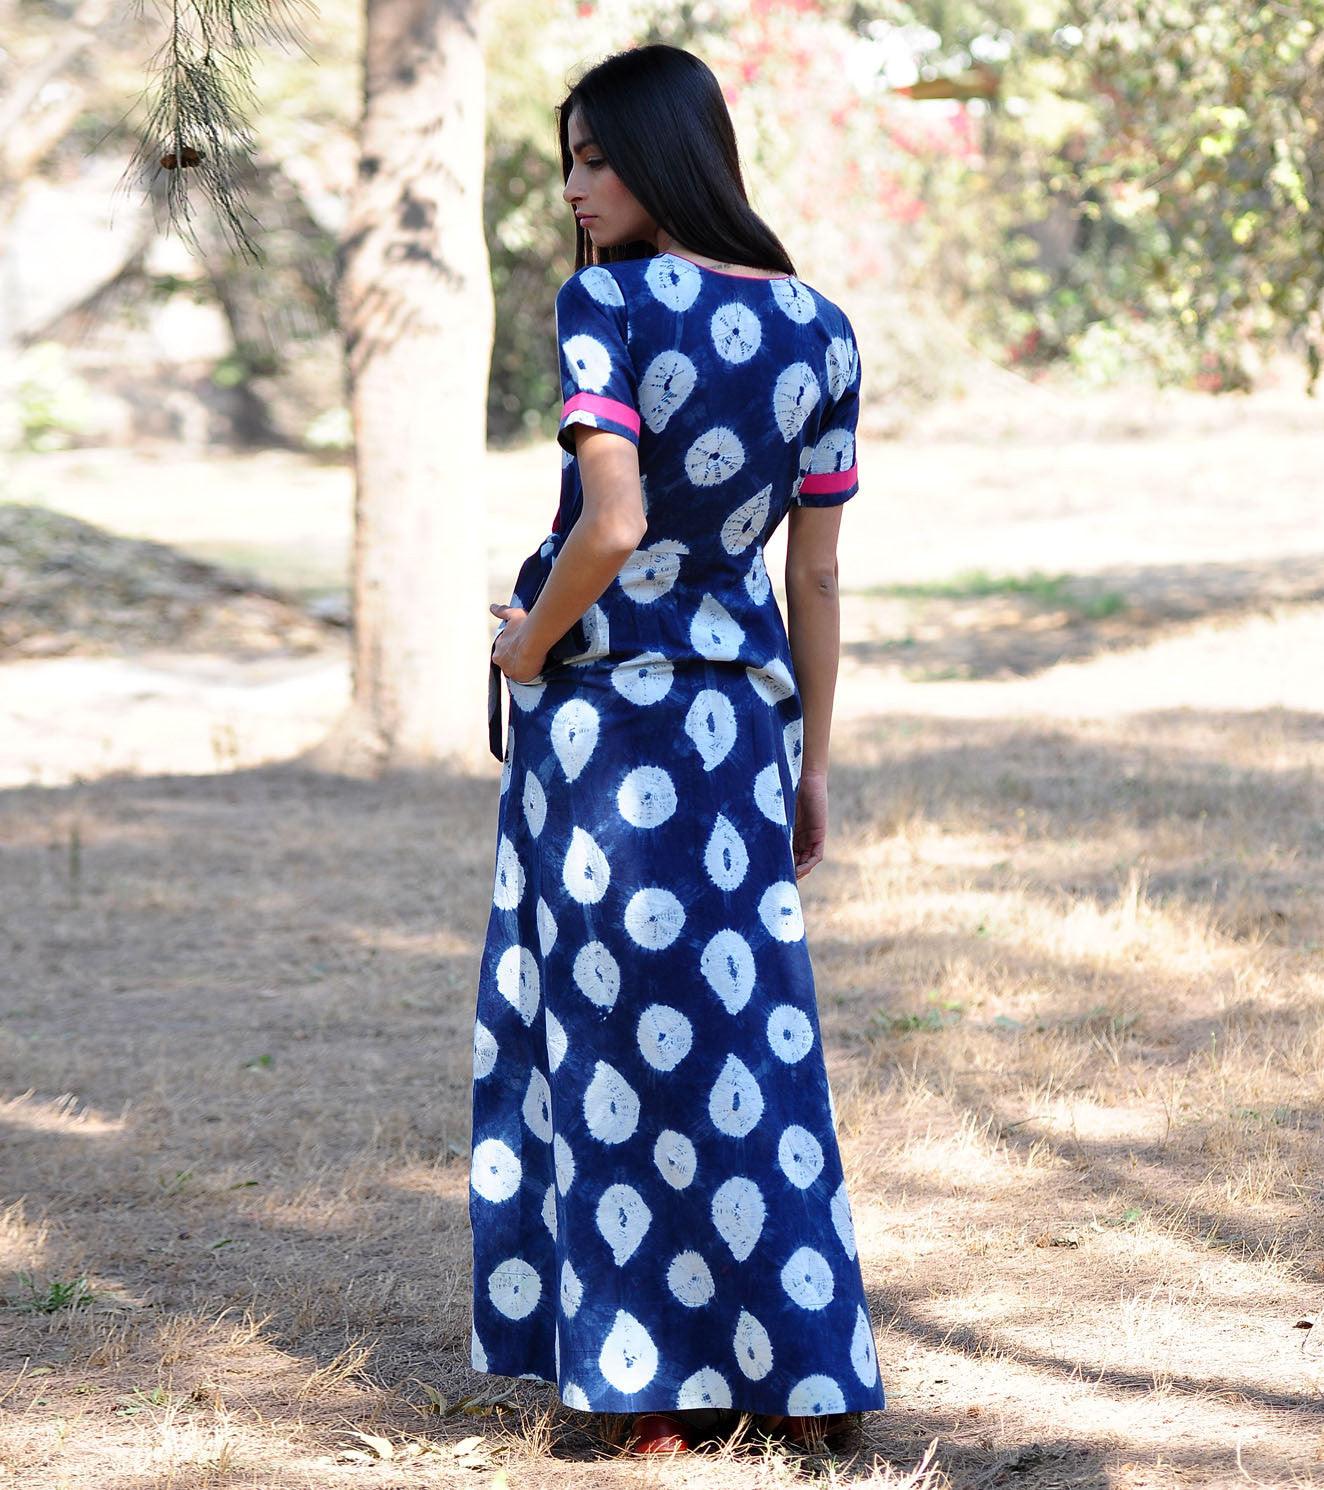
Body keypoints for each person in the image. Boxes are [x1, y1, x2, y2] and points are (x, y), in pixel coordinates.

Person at [469, 41, 884, 1457]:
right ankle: (797, 1376)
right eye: (569, 162)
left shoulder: (607, 306)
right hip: (738, 735)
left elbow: (614, 524)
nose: (576, 189)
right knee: (750, 1048)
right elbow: (814, 577)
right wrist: (812, 763)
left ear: (666, 154)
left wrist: (528, 646)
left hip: (606, 728)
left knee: (607, 1042)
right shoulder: (823, 328)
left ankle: (645, 1385)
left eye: (597, 159)